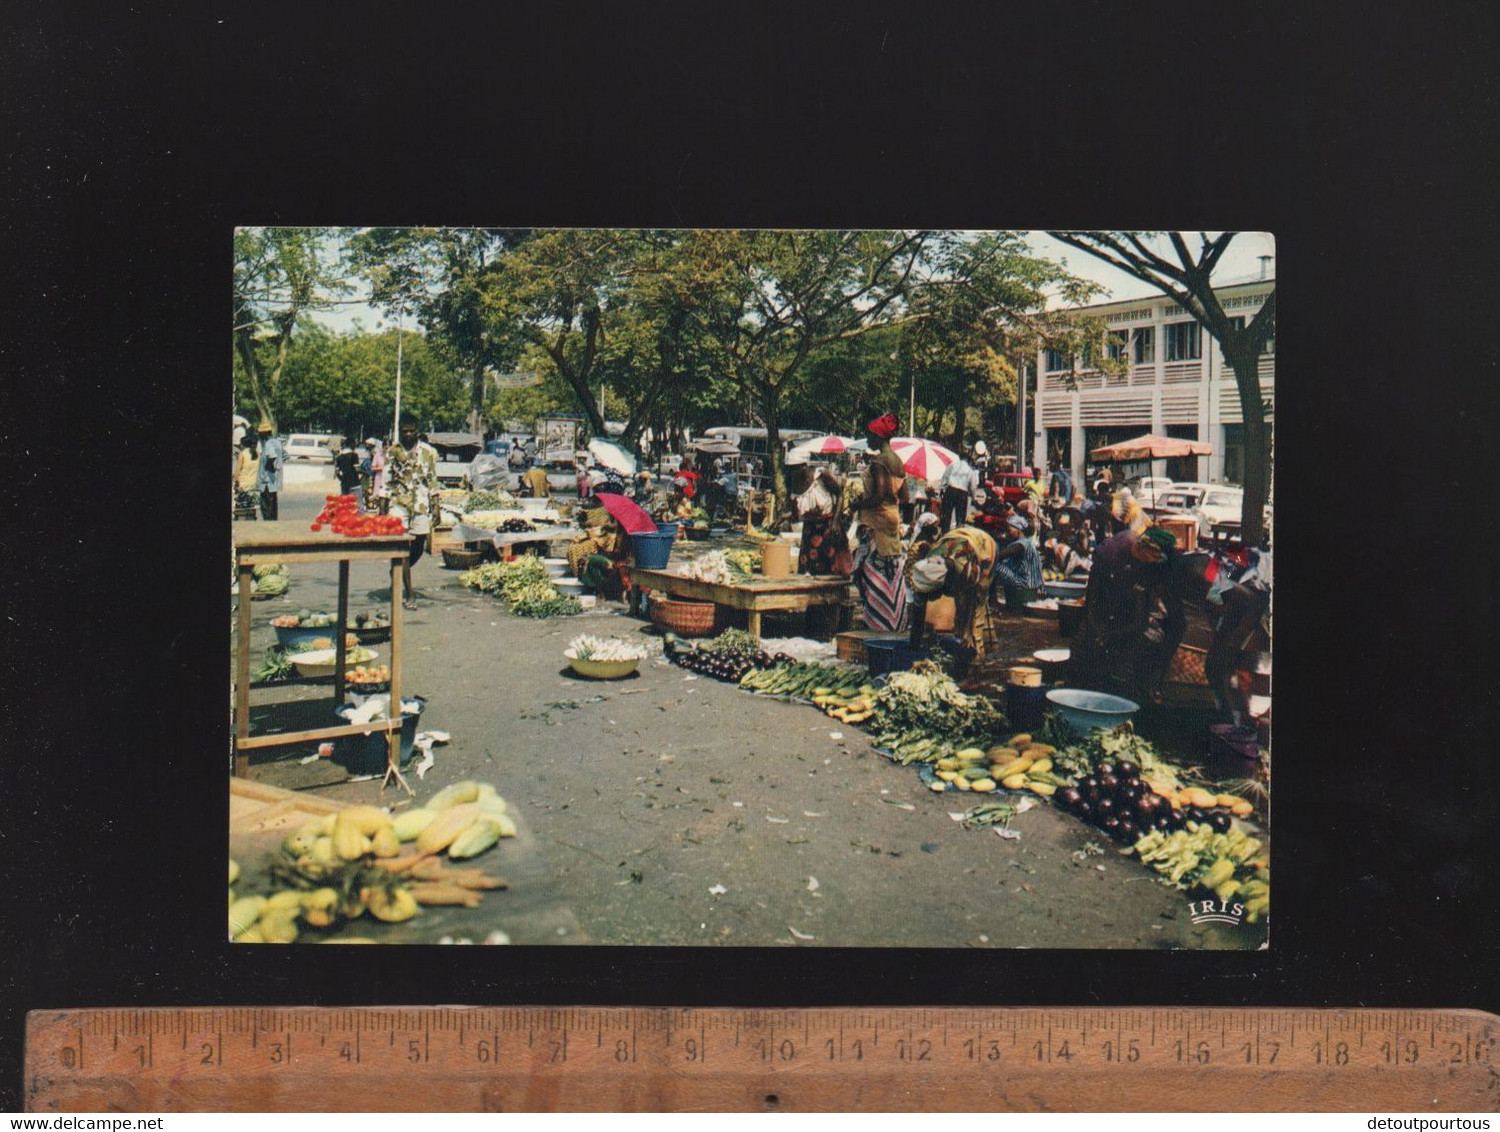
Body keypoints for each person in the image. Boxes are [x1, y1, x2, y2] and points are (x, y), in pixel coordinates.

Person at [1071, 525, 1184, 704]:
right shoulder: (1110, 553)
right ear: (1147, 548)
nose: (1154, 562)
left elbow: (1140, 618)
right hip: (1102, 607)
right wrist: (1098, 629)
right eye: (1154, 557)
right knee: (1085, 663)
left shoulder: (1148, 567)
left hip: (1124, 614)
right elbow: (1092, 599)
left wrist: (1114, 635)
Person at [908, 524, 1000, 666]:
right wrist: (914, 647)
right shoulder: (926, 571)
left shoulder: (965, 571)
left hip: (984, 547)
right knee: (960, 609)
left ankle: (976, 660)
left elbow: (971, 601)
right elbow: (918, 616)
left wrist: (967, 634)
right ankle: (966, 643)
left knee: (975, 611)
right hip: (956, 540)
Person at [852, 413, 910, 631]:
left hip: (876, 525)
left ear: (878, 437)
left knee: (870, 575)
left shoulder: (879, 463)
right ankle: (894, 620)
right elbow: (904, 496)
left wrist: (858, 505)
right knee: (892, 573)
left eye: (870, 435)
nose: (868, 440)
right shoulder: (898, 462)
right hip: (892, 523)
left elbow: (878, 496)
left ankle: (879, 622)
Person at [386, 420, 441, 610]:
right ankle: (409, 593)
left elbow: (432, 479)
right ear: (400, 431)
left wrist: (436, 507)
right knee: (402, 546)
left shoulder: (428, 452)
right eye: (405, 431)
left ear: (417, 432)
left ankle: (398, 571)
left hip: (421, 503)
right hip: (398, 503)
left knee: (419, 543)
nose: (408, 434)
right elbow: (386, 482)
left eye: (412, 431)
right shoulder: (392, 451)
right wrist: (381, 510)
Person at [793, 465, 849, 576]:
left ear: (803, 467)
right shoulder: (797, 482)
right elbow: (800, 508)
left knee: (829, 565)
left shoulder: (821, 476)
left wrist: (835, 521)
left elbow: (840, 495)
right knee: (809, 565)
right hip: (810, 528)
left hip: (827, 525)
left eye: (794, 468)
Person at [992, 514, 1045, 610]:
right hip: (1029, 585)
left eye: (1010, 529)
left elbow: (1001, 555)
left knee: (995, 566)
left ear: (1018, 530)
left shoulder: (1021, 544)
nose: (1008, 532)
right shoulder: (1027, 542)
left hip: (1024, 584)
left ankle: (992, 601)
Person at [938, 448, 979, 531]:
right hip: (962, 493)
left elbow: (945, 477)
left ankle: (944, 533)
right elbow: (973, 486)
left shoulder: (952, 465)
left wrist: (942, 489)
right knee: (960, 517)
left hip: (950, 490)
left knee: (946, 515)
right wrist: (974, 497)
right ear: (967, 460)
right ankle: (958, 533)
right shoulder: (970, 470)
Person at [255, 422, 284, 520]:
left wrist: (269, 467)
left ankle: (268, 522)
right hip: (274, 480)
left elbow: (272, 456)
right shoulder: (277, 442)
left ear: (264, 433)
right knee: (273, 504)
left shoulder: (268, 443)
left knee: (266, 504)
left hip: (267, 480)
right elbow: (285, 456)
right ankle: (272, 522)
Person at [234, 437, 259, 518]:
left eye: (241, 444)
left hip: (243, 485)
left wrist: (235, 480)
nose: (240, 445)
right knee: (252, 505)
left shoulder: (243, 454)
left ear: (243, 445)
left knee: (237, 502)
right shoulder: (258, 453)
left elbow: (238, 471)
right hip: (255, 484)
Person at [367, 438, 387, 513]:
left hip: (389, 480)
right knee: (380, 500)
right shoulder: (378, 455)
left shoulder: (392, 456)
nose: (387, 450)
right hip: (379, 478)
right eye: (385, 448)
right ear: (383, 447)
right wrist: (381, 468)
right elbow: (373, 468)